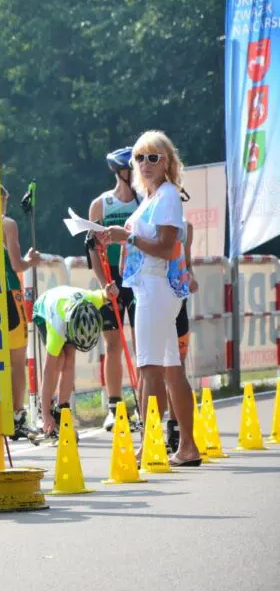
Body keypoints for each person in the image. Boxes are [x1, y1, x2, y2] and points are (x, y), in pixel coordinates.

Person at [96, 130, 200, 467]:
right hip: (151, 288)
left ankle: (151, 445)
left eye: (153, 157)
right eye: (139, 158)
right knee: (170, 369)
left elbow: (168, 248)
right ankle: (185, 446)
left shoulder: (167, 196)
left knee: (149, 370)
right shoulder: (156, 197)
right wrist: (124, 242)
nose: (144, 164)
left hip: (155, 288)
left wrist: (130, 239)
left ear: (167, 162)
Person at [87, 147, 141, 431]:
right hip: (112, 280)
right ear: (121, 172)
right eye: (133, 168)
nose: (138, 173)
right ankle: (114, 406)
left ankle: (145, 405)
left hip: (138, 278)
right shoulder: (101, 204)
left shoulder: (144, 200)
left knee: (142, 343)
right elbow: (92, 248)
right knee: (113, 344)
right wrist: (103, 284)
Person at [32, 285, 112, 438]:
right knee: (59, 359)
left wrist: (111, 292)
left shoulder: (92, 300)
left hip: (71, 307)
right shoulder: (57, 329)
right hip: (45, 308)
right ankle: (47, 409)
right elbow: (47, 371)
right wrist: (46, 413)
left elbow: (104, 294)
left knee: (70, 357)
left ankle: (63, 408)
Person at [1, 185, 42, 438]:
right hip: (9, 293)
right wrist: (31, 261)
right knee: (16, 361)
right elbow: (17, 264)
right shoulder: (7, 224)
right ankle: (16, 415)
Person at [166, 216, 197, 452]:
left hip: (179, 302)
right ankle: (160, 429)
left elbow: (187, 263)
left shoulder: (186, 226)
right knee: (155, 368)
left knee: (178, 366)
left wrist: (192, 278)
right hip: (155, 301)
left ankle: (178, 430)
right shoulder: (145, 217)